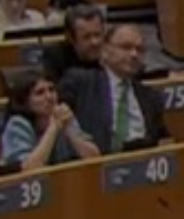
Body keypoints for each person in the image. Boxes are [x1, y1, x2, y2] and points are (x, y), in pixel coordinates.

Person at [59, 23, 168, 154]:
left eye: (140, 49)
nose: (134, 54)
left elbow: (162, 139)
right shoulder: (81, 83)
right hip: (97, 162)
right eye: (126, 47)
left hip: (142, 161)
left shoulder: (151, 96)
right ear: (105, 51)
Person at [0, 72, 101, 172]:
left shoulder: (63, 117)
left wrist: (70, 130)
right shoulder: (17, 125)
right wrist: (53, 129)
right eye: (40, 93)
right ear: (24, 102)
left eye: (51, 90)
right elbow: (29, 169)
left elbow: (94, 159)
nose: (49, 97)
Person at [42, 5, 105, 82]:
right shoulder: (55, 57)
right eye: (86, 37)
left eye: (97, 35)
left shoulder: (110, 52)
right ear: (70, 38)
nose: (94, 42)